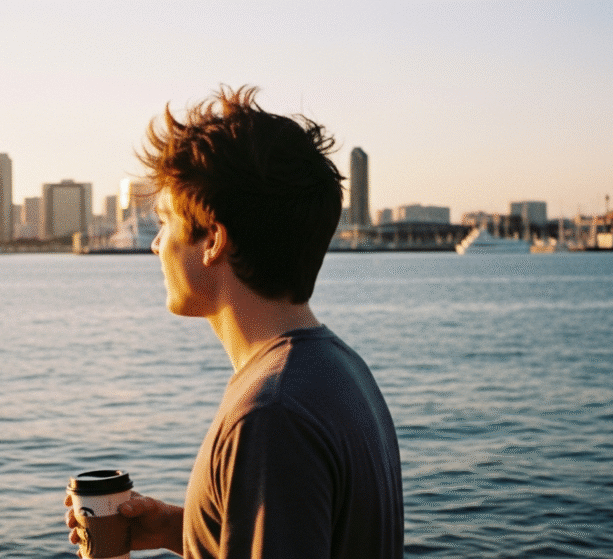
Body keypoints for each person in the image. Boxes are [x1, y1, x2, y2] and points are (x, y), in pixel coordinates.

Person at [66, 85, 403, 558]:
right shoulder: (340, 372)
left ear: (213, 241)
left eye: (165, 224)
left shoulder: (269, 414)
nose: (155, 245)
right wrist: (178, 531)